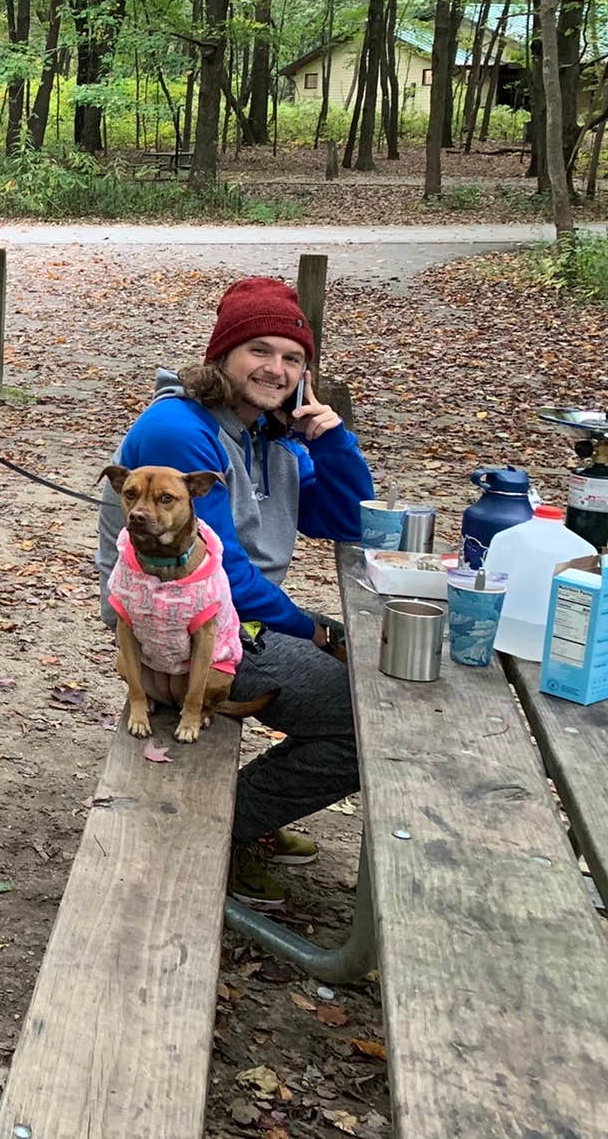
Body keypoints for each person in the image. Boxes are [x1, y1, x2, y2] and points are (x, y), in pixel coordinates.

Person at [96, 276, 375, 906]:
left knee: (378, 673)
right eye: (260, 350)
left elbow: (349, 521)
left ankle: (247, 819)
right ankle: (223, 833)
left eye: (293, 358)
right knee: (365, 727)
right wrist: (313, 629)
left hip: (237, 613)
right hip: (176, 620)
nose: (276, 369)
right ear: (222, 356)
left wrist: (331, 440)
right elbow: (225, 581)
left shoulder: (266, 434)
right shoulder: (179, 431)